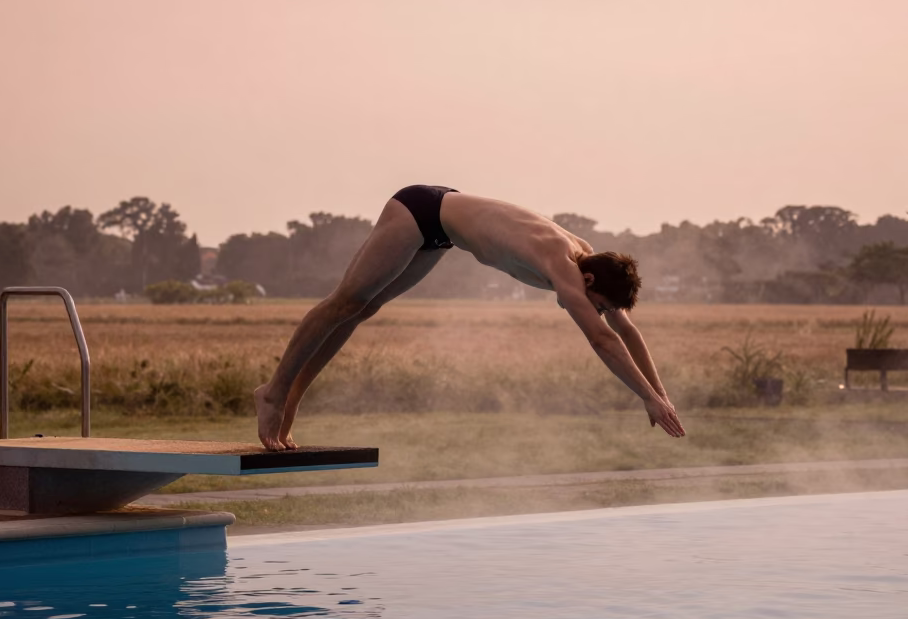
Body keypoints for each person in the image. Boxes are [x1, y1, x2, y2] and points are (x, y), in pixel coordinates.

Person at [254, 185, 686, 450]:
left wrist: (659, 397)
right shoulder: (564, 265)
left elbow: (624, 329)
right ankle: (274, 392)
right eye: (600, 305)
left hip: (440, 232)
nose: (599, 313)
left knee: (364, 308)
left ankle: (292, 397)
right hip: (420, 209)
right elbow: (602, 340)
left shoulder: (589, 262)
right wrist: (644, 397)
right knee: (345, 301)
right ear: (588, 279)